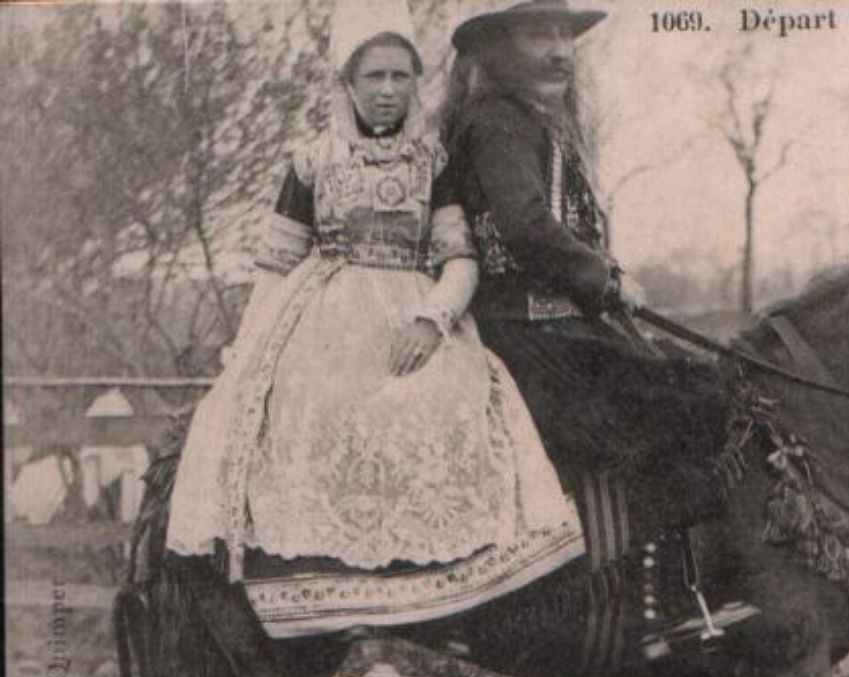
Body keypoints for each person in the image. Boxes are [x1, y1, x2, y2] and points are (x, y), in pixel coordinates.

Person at [166, 0, 583, 639]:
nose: (388, 92)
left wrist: (431, 320)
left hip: (415, 308)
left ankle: (435, 584)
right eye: (374, 77)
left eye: (401, 77)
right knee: (308, 406)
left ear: (417, 84)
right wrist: (246, 356)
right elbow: (277, 265)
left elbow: (460, 259)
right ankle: (313, 570)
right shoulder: (311, 162)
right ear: (347, 85)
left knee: (451, 401)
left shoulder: (432, 162)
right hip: (322, 315)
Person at [442, 0, 747, 647]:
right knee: (664, 413)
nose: (559, 50)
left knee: (699, 388)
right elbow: (526, 227)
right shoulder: (495, 120)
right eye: (538, 33)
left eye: (564, 34)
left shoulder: (539, 122)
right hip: (524, 334)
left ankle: (684, 586)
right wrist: (603, 279)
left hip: (566, 328)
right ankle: (655, 605)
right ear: (496, 49)